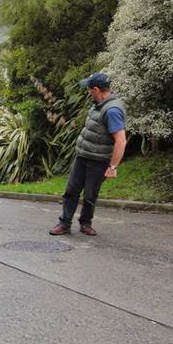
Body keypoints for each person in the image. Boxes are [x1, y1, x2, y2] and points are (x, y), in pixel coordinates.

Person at [49, 72, 126, 236]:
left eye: (89, 88)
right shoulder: (97, 103)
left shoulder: (112, 111)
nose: (87, 91)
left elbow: (121, 140)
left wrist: (113, 166)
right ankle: (64, 223)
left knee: (90, 194)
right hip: (83, 156)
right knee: (71, 190)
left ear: (96, 89)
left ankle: (85, 224)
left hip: (98, 161)